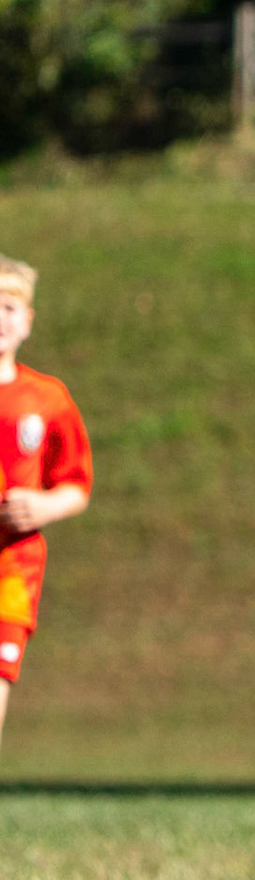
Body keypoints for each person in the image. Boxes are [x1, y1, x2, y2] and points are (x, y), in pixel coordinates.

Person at [0, 254, 92, 749]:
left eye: (9, 306)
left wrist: (43, 506)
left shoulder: (47, 398)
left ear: (27, 320)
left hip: (12, 567)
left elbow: (76, 484)